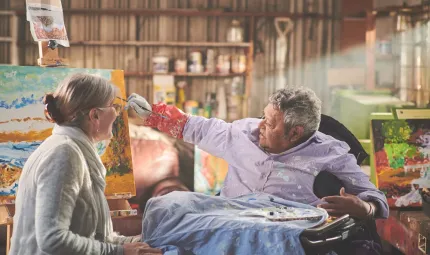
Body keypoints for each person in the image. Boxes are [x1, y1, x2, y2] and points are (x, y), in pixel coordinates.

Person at [126, 87, 389, 221]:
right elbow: (199, 127)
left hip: (287, 229)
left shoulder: (330, 153)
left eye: (271, 123)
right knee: (162, 209)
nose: (260, 125)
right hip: (229, 216)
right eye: (264, 116)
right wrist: (154, 115)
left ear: (295, 133)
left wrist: (365, 208)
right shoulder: (243, 134)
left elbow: (375, 197)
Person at [10, 73, 161, 255]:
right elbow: (53, 239)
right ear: (95, 115)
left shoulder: (75, 149)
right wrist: (120, 252)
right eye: (114, 106)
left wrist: (137, 242)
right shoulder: (64, 154)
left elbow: (95, 238)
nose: (118, 113)